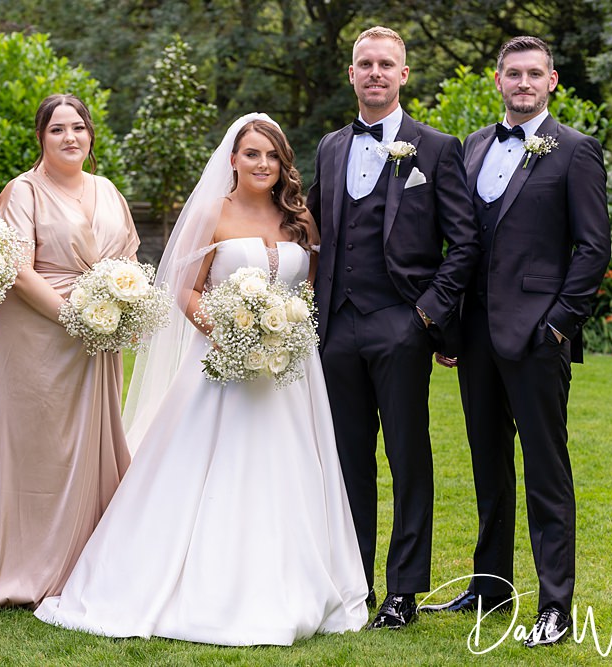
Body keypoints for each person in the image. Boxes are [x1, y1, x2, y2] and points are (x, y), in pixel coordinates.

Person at [34, 114, 368, 646]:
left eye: (272, 155)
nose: (262, 164)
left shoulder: (299, 217)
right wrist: (230, 332)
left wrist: (280, 334)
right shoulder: (213, 214)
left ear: (283, 164)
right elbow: (184, 290)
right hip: (222, 365)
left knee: (290, 467)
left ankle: (291, 578)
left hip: (288, 371)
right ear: (232, 160)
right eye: (252, 154)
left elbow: (307, 292)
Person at [419, 36, 610, 648]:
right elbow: (462, 244)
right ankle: (491, 585)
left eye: (534, 74)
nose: (523, 83)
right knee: (488, 465)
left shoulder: (576, 152)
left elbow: (593, 249)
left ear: (552, 81)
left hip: (537, 338)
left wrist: (557, 324)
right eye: (513, 74)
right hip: (475, 337)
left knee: (546, 471)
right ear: (497, 80)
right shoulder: (472, 146)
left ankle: (555, 604)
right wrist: (448, 325)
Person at [306, 26, 479, 630]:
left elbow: (465, 241)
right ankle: (355, 584)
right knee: (347, 460)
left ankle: (404, 590)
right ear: (350, 74)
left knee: (408, 457)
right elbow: (313, 233)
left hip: (401, 325)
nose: (375, 73)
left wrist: (427, 316)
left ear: (404, 75)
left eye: (386, 65)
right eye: (365, 64)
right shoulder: (330, 147)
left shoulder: (435, 147)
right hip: (337, 331)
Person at [0, 94, 138, 613]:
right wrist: (75, 316)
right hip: (40, 338)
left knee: (91, 449)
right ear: (41, 137)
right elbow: (18, 270)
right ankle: (27, 564)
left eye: (79, 128)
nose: (70, 138)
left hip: (98, 338)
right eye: (58, 129)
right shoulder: (23, 192)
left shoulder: (107, 190)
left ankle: (88, 562)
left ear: (91, 137)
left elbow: (129, 256)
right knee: (40, 451)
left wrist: (120, 307)